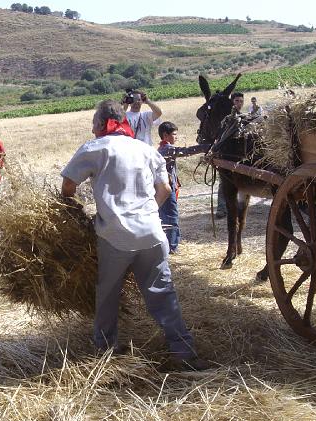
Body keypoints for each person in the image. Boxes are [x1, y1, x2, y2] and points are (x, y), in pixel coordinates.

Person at [61, 99, 208, 371]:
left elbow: (68, 184)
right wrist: (149, 211)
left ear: (103, 123)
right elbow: (164, 188)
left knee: (107, 294)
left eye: (94, 123)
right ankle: (182, 349)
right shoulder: (146, 150)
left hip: (115, 236)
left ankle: (107, 350)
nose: (93, 130)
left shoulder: (95, 148)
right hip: (152, 233)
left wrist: (71, 211)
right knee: (163, 293)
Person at [157, 121, 210, 253]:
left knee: (166, 217)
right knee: (171, 217)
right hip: (168, 190)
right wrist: (205, 147)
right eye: (174, 134)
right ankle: (172, 247)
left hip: (165, 188)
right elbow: (185, 151)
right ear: (165, 135)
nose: (176, 137)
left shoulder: (162, 149)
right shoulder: (167, 149)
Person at [215, 91, 245, 218]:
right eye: (236, 101)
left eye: (241, 101)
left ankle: (239, 206)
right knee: (225, 181)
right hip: (227, 154)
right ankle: (221, 208)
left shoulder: (245, 117)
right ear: (232, 102)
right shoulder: (227, 119)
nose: (239, 103)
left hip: (240, 154)